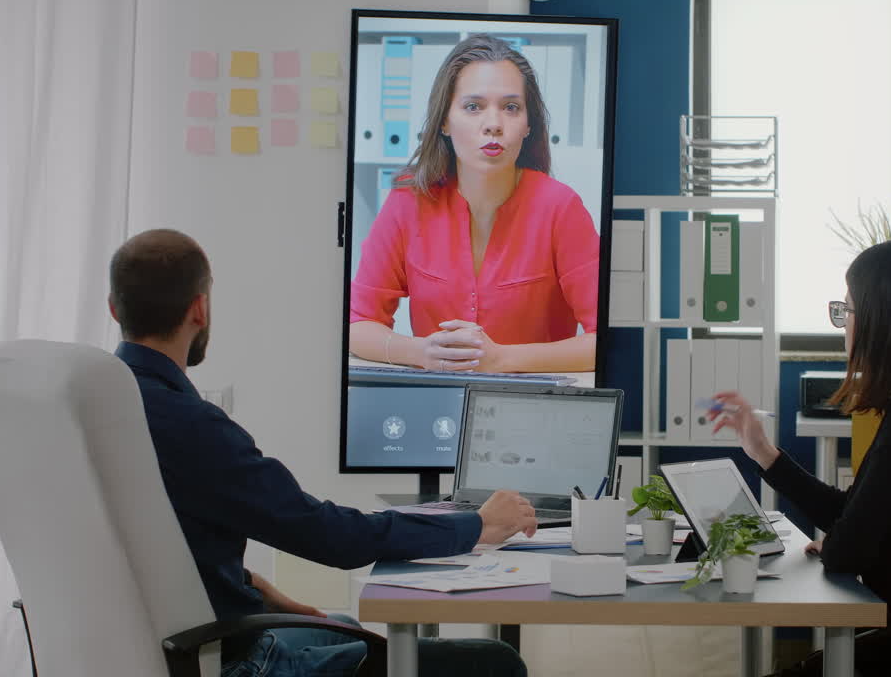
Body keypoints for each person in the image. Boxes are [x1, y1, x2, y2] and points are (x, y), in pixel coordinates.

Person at [108, 228, 536, 677]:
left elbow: (155, 542)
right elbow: (331, 537)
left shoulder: (98, 412)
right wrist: (477, 525)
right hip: (232, 665)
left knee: (342, 625)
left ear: (115, 309)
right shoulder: (191, 426)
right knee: (494, 663)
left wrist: (255, 590)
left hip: (152, 647)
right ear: (200, 309)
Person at [711, 239, 891, 677]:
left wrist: (841, 542)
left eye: (846, 310)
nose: (843, 325)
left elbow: (846, 550)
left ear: (882, 322)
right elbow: (852, 513)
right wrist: (763, 451)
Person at [349, 33, 599, 374]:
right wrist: (421, 352)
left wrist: (502, 359)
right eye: (473, 106)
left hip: (535, 408)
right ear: (445, 121)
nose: (493, 125)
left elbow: (606, 340)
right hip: (436, 407)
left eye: (511, 107)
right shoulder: (408, 201)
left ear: (528, 124)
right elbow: (358, 323)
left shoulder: (561, 208)